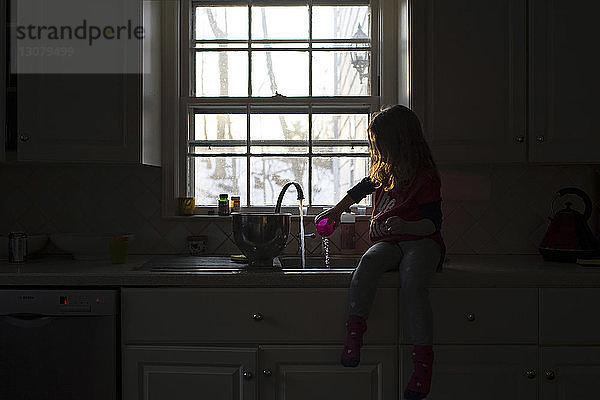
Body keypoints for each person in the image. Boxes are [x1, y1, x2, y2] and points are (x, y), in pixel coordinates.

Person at [314, 105, 445, 400]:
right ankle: (355, 333)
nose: (377, 148)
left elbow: (433, 224)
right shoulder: (385, 170)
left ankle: (423, 363)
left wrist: (407, 224)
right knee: (368, 264)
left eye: (380, 142)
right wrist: (336, 211)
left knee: (413, 283)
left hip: (423, 241)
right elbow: (360, 189)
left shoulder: (425, 176)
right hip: (392, 241)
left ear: (400, 140)